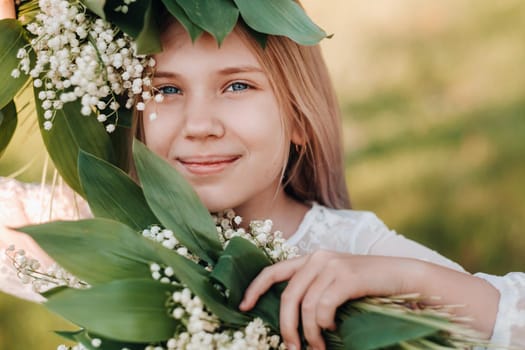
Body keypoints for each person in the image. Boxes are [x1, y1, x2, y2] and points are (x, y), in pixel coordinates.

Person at [0, 1, 523, 349]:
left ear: (297, 117)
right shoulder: (112, 237)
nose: (200, 125)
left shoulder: (353, 254)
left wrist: (408, 280)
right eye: (165, 90)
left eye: (237, 87)